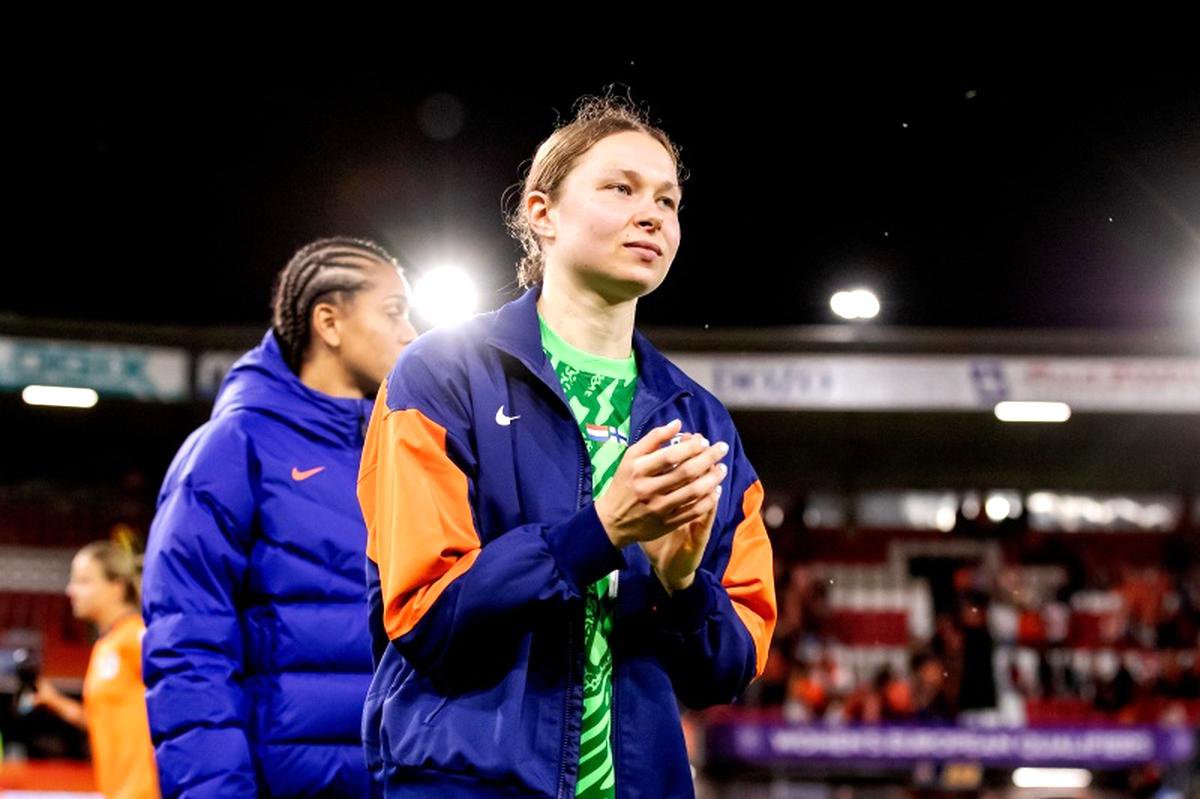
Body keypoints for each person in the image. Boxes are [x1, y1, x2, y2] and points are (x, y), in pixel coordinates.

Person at [358, 98, 777, 798]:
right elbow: (427, 616)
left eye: (667, 201)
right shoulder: (440, 375)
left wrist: (681, 587)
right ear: (541, 213)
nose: (652, 215)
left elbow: (728, 669)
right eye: (621, 188)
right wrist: (601, 531)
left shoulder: (701, 420)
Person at [141, 237, 417, 798]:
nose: (410, 333)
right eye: (393, 312)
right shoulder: (233, 446)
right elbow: (188, 643)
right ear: (329, 323)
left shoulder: (409, 450)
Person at [35, 541, 160, 799]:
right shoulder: (105, 646)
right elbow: (102, 721)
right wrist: (55, 701)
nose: (71, 590)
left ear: (116, 587)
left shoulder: (136, 636)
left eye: (83, 581)